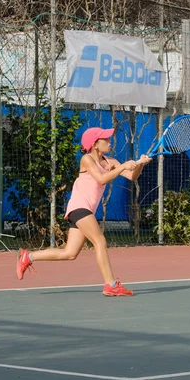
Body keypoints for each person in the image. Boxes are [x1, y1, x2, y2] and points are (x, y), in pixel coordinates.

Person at [15, 126, 152, 296]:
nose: (109, 142)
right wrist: (124, 165)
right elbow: (102, 178)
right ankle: (111, 284)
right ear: (95, 144)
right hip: (80, 207)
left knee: (70, 253)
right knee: (100, 241)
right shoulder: (87, 159)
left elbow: (132, 176)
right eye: (106, 139)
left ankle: (27, 257)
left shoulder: (111, 162)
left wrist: (140, 164)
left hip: (83, 210)